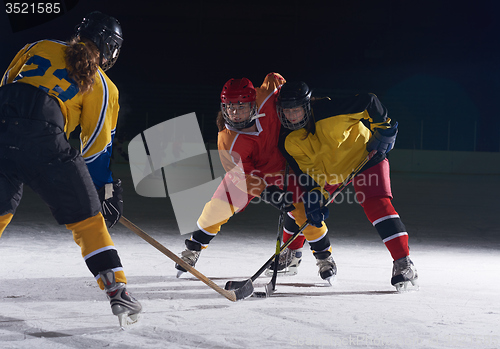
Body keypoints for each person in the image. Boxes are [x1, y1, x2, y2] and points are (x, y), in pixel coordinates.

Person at [0, 11, 141, 326]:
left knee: (0, 211)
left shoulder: (37, 45)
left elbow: (7, 84)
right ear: (111, 50)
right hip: (44, 140)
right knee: (88, 221)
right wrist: (103, 192)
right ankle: (116, 288)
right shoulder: (104, 86)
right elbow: (95, 150)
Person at [175, 73, 336, 282]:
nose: (235, 112)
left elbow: (275, 78)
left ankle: (324, 257)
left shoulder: (267, 98)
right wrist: (269, 193)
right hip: (251, 176)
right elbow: (241, 177)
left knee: (304, 210)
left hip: (284, 168)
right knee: (218, 207)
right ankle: (193, 250)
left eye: (241, 106)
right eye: (230, 106)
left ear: (253, 103)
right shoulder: (227, 139)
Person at [276, 81, 418, 291]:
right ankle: (292, 253)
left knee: (377, 206)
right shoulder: (287, 139)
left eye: (296, 110)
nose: (292, 116)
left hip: (366, 158)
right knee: (302, 205)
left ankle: (404, 263)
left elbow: (370, 101)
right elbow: (306, 172)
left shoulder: (330, 110)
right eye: (287, 112)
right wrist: (315, 194)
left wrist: (383, 127)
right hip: (330, 174)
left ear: (306, 106)